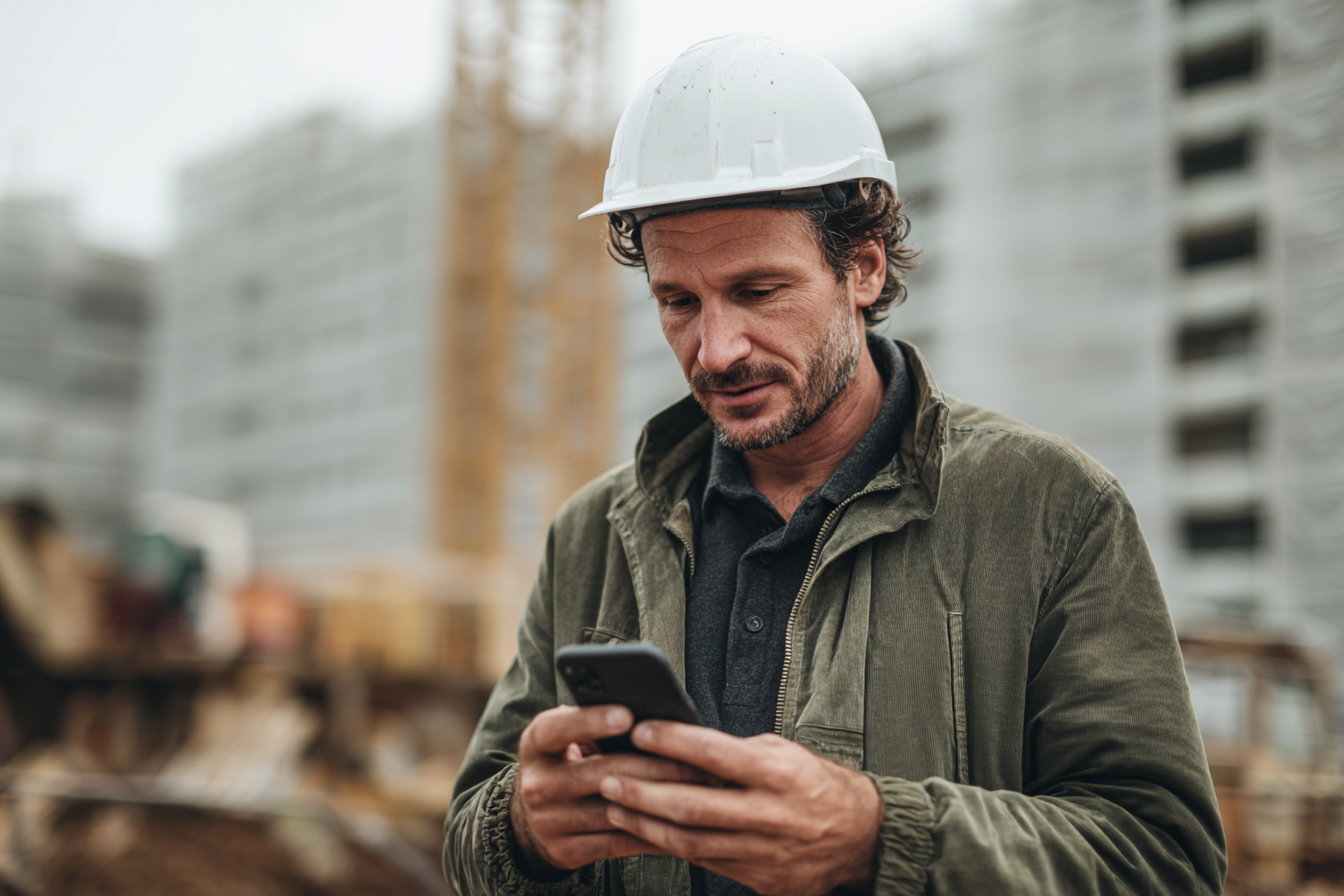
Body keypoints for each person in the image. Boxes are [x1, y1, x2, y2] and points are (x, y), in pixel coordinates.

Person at [445, 34, 1225, 896]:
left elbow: (1166, 860)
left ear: (862, 266)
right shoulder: (592, 533)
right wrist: (521, 830)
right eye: (678, 301)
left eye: (757, 291)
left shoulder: (1053, 511)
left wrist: (875, 835)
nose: (715, 349)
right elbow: (470, 836)